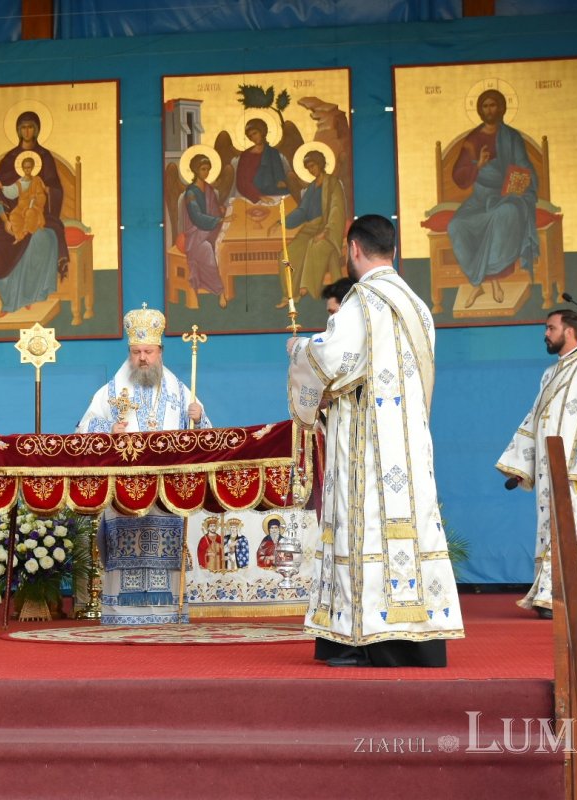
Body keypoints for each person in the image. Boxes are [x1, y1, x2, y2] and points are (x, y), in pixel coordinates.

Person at [288, 214, 464, 667]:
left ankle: (367, 641)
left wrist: (298, 352)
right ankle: (418, 640)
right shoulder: (417, 305)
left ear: (353, 249)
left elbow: (331, 361)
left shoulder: (362, 302)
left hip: (368, 445)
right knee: (411, 528)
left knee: (362, 528)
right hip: (410, 443)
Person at [76, 305, 209, 624]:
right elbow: (83, 430)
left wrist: (198, 418)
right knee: (125, 553)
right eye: (136, 352)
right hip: (124, 493)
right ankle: (122, 614)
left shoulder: (180, 390)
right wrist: (108, 432)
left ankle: (167, 614)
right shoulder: (110, 391)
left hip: (167, 494)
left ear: (160, 351)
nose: (143, 358)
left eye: (148, 351)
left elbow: (203, 438)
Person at [496, 309, 577, 618]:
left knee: (570, 530)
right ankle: (555, 594)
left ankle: (559, 597)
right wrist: (520, 464)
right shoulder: (550, 373)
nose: (545, 333)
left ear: (569, 331)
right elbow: (534, 417)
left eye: (551, 328)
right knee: (550, 529)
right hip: (549, 469)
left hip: (575, 470)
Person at [447, 89, 539, 308]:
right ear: (480, 110)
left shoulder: (512, 137)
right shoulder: (472, 140)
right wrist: (476, 166)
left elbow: (524, 166)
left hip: (508, 195)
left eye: (493, 105)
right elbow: (459, 176)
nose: (490, 110)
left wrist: (517, 184)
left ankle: (494, 282)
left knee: (502, 215)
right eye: (486, 106)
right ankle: (477, 283)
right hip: (480, 197)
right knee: (456, 225)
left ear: (501, 108)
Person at [0, 111, 68, 317]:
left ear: (37, 129)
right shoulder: (10, 159)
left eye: (30, 126)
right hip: (14, 216)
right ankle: (9, 300)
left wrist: (48, 192)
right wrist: (5, 220)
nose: (27, 131)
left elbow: (56, 188)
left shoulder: (45, 158)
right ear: (17, 130)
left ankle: (29, 296)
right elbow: (0, 191)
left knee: (40, 238)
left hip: (40, 215)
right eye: (23, 127)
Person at [271, 149, 348, 305]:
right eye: (308, 168)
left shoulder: (333, 183)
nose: (311, 170)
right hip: (309, 229)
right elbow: (302, 211)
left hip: (327, 228)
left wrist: (326, 232)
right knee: (286, 256)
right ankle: (289, 295)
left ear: (320, 164)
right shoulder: (312, 187)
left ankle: (304, 288)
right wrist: (282, 222)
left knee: (314, 246)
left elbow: (336, 209)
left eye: (313, 166)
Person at [180, 152, 228, 306]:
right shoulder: (191, 193)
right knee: (207, 250)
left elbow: (212, 209)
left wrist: (220, 211)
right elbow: (196, 217)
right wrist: (219, 219)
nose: (206, 172)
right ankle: (220, 291)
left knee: (224, 245)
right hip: (195, 234)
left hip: (210, 230)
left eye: (208, 169)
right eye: (203, 169)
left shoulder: (209, 189)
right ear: (195, 170)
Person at [232, 117, 291, 203]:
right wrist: (259, 196)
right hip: (251, 193)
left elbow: (279, 176)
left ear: (262, 131)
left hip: (273, 191)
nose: (253, 138)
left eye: (255, 133)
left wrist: (281, 181)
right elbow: (241, 182)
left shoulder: (273, 152)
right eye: (250, 136)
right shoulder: (246, 155)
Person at [3, 155, 49, 244]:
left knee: (29, 213)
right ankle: (19, 236)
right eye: (25, 168)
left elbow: (42, 196)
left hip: (34, 207)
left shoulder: (36, 180)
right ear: (22, 169)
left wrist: (35, 198)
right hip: (21, 207)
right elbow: (12, 192)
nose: (27, 169)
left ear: (32, 168)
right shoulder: (20, 182)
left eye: (29, 167)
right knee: (13, 215)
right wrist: (3, 188)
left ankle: (27, 233)